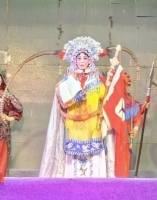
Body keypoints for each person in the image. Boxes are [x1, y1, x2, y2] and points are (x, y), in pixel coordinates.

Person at [39, 36, 123, 178]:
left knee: (93, 161)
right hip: (74, 127)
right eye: (79, 58)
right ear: (74, 60)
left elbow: (106, 99)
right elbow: (61, 97)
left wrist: (109, 87)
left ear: (90, 60)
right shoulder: (68, 79)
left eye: (85, 58)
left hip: (92, 126)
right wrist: (73, 98)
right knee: (73, 164)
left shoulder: (98, 79)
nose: (82, 61)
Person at [114, 71, 148, 178]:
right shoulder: (109, 99)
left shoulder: (129, 101)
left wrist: (136, 129)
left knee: (123, 159)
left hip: (124, 134)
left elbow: (137, 118)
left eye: (122, 84)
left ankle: (122, 181)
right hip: (111, 133)